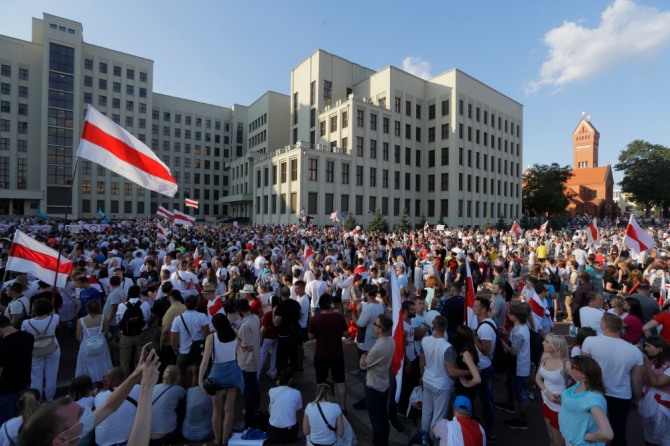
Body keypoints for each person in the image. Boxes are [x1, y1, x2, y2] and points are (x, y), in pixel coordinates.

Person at [19, 345, 158, 446]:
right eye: (80, 414)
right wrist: (146, 389)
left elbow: (109, 407)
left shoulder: (68, 435)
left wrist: (137, 372)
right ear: (60, 440)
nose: (87, 412)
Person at [582, 313, 644, 446]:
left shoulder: (590, 341)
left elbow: (583, 369)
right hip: (621, 396)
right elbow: (637, 380)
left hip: (595, 393)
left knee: (593, 430)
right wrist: (636, 398)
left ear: (604, 326)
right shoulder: (634, 350)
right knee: (618, 433)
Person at [199, 312, 244, 446]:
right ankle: (225, 439)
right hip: (233, 372)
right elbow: (241, 347)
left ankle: (217, 440)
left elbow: (205, 360)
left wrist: (200, 380)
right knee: (229, 409)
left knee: (217, 409)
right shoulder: (234, 333)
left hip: (217, 372)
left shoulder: (211, 337)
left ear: (215, 325)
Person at [559, 356, 614, 446]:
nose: (571, 369)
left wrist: (584, 436)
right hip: (571, 439)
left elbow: (607, 434)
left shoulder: (592, 398)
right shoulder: (579, 384)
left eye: (573, 368)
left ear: (584, 374)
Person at [308, 294, 349, 411]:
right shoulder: (339, 317)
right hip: (337, 354)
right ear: (330, 304)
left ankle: (321, 406)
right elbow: (346, 334)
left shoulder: (315, 319)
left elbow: (310, 336)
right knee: (340, 381)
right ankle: (343, 407)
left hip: (321, 355)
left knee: (320, 381)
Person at [420, 315, 456, 443]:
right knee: (438, 417)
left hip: (427, 379)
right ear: (445, 328)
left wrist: (421, 375)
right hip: (441, 384)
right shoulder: (447, 346)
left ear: (433, 326)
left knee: (426, 411)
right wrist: (469, 371)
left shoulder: (425, 340)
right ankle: (434, 440)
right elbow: (452, 371)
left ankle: (424, 438)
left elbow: (422, 359)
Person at [360, 314, 395, 446]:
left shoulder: (378, 347)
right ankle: (383, 439)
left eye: (375, 324)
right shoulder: (391, 341)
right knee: (383, 416)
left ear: (380, 329)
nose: (373, 326)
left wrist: (363, 357)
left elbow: (363, 364)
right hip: (384, 384)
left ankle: (380, 442)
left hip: (374, 387)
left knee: (376, 420)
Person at [497, 302, 531, 430]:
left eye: (510, 313)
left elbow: (513, 351)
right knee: (512, 386)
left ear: (516, 316)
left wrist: (501, 341)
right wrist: (506, 334)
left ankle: (522, 420)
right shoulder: (521, 327)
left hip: (518, 366)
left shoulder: (518, 331)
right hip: (518, 365)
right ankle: (510, 405)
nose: (508, 314)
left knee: (521, 394)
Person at [21, 297, 60, 402]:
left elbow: (24, 336)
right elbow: (54, 314)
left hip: (35, 349)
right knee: (52, 374)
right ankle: (50, 399)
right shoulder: (55, 317)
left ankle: (36, 401)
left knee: (35, 376)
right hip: (53, 347)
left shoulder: (26, 323)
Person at [536, 334, 570, 446]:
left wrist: (565, 398)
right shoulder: (545, 357)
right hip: (546, 401)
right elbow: (538, 378)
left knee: (559, 441)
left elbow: (582, 385)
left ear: (557, 347)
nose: (543, 343)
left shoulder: (567, 364)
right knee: (551, 438)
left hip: (559, 407)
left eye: (546, 341)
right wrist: (547, 393)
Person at [0, 315, 33, 425]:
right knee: (21, 420)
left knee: (5, 423)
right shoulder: (28, 337)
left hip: (6, 389)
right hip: (25, 384)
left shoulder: (3, 345)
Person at [473, 296, 497, 443]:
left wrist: (473, 337)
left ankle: (490, 429)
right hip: (485, 366)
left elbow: (486, 350)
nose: (473, 308)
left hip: (485, 368)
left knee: (486, 399)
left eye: (476, 306)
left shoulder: (486, 328)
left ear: (483, 309)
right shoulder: (486, 324)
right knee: (487, 397)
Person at [639, 336, 670, 446]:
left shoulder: (668, 366)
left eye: (648, 346)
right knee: (649, 434)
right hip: (647, 399)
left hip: (663, 404)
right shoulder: (653, 360)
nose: (645, 348)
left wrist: (646, 362)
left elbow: (655, 383)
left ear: (660, 349)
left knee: (665, 436)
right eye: (645, 345)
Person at [171, 294, 210, 378]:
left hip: (183, 352)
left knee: (181, 375)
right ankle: (194, 390)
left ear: (185, 304)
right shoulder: (202, 316)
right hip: (198, 350)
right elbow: (207, 335)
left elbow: (174, 339)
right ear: (197, 304)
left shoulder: (177, 319)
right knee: (196, 374)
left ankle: (181, 390)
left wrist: (176, 351)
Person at [236, 297, 261, 429]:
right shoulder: (255, 318)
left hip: (247, 361)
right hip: (255, 359)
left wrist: (237, 339)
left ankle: (248, 419)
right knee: (254, 387)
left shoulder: (245, 325)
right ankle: (254, 411)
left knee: (248, 392)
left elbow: (248, 346)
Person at [117, 285, 152, 376]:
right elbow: (147, 318)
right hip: (141, 334)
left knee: (124, 361)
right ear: (139, 294)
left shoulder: (121, 306)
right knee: (141, 359)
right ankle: (141, 381)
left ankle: (125, 382)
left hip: (126, 335)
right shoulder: (145, 304)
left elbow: (118, 321)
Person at [75, 299, 112, 383]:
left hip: (86, 345)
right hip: (101, 343)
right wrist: (100, 336)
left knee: (87, 364)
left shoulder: (80, 321)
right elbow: (106, 331)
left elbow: (78, 336)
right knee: (102, 361)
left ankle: (89, 382)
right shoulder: (103, 317)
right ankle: (103, 380)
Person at [149, 364, 185, 445]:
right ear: (177, 377)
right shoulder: (179, 390)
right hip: (166, 436)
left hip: (147, 436)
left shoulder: (153, 387)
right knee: (181, 406)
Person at [267, 368, 302, 443]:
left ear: (279, 379)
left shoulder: (271, 390)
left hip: (273, 433)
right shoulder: (297, 393)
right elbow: (297, 410)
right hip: (290, 434)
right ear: (290, 380)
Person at [274, 286, 302, 374]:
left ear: (281, 294)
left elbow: (276, 323)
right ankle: (292, 377)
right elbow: (300, 316)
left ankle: (282, 378)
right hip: (294, 334)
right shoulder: (296, 304)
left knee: (282, 358)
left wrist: (273, 313)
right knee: (293, 356)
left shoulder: (280, 306)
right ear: (290, 294)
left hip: (283, 335)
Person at [181, 366, 213, 443]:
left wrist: (195, 374)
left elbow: (194, 385)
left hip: (186, 433)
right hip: (205, 433)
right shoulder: (212, 394)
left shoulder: (190, 391)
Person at [258, 295, 279, 381]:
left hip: (268, 338)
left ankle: (256, 375)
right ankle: (273, 373)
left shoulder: (268, 314)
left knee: (262, 355)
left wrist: (260, 340)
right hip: (277, 337)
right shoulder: (280, 312)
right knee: (274, 354)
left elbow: (263, 330)